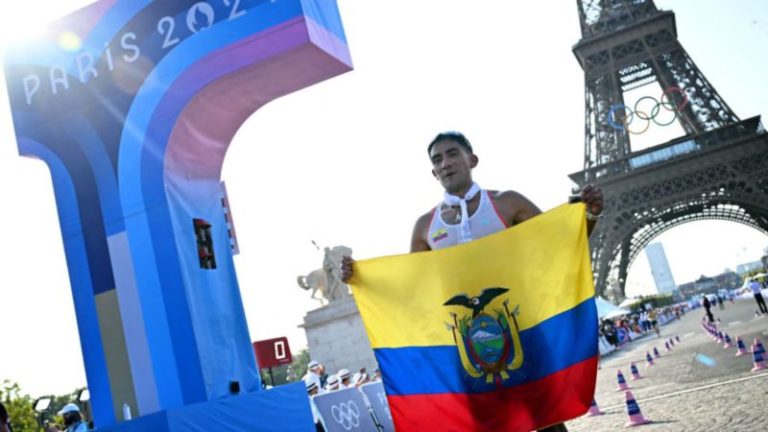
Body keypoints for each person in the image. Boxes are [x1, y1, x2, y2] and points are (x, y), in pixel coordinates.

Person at [342, 131, 604, 432]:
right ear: (433, 172)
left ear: (472, 159)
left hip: (521, 329)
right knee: (486, 425)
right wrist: (360, 279)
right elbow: (411, 289)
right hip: (464, 344)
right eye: (437, 160)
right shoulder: (425, 226)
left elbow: (560, 245)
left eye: (452, 154)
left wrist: (592, 214)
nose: (445, 163)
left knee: (545, 420)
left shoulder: (507, 203)